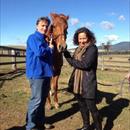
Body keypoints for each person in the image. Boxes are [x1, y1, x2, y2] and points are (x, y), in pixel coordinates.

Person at [64, 27, 102, 130]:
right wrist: (65, 52)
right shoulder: (78, 49)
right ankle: (86, 126)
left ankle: (98, 128)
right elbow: (73, 61)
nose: (82, 41)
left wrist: (69, 59)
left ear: (89, 37)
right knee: (82, 107)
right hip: (77, 83)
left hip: (88, 83)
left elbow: (85, 65)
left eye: (84, 38)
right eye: (79, 38)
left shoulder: (92, 48)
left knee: (92, 109)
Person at [26, 16, 54, 130]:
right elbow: (39, 52)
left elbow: (47, 57)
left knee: (42, 100)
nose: (45, 28)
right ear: (37, 26)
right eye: (42, 25)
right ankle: (30, 126)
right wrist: (50, 48)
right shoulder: (32, 37)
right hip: (37, 74)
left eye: (46, 26)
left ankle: (40, 123)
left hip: (46, 73)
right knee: (36, 100)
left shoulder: (44, 39)